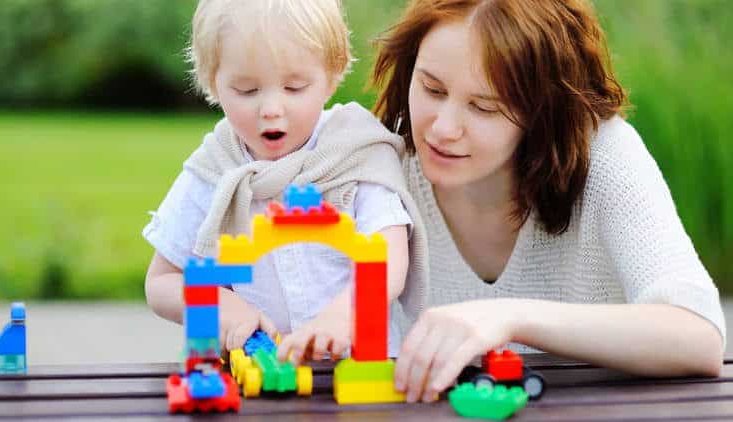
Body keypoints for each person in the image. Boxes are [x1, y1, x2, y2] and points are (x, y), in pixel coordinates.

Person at [371, 0, 726, 403]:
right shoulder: (384, 158)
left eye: (483, 107)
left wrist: (509, 316)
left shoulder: (605, 156)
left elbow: (699, 335)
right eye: (433, 89)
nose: (443, 128)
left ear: (543, 110)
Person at [143, 0, 429, 363]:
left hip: (359, 372)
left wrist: (343, 314)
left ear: (332, 76)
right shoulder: (216, 170)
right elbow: (161, 282)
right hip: (262, 374)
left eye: (294, 87)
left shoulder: (356, 151)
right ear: (212, 82)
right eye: (247, 91)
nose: (271, 109)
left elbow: (389, 258)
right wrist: (223, 306)